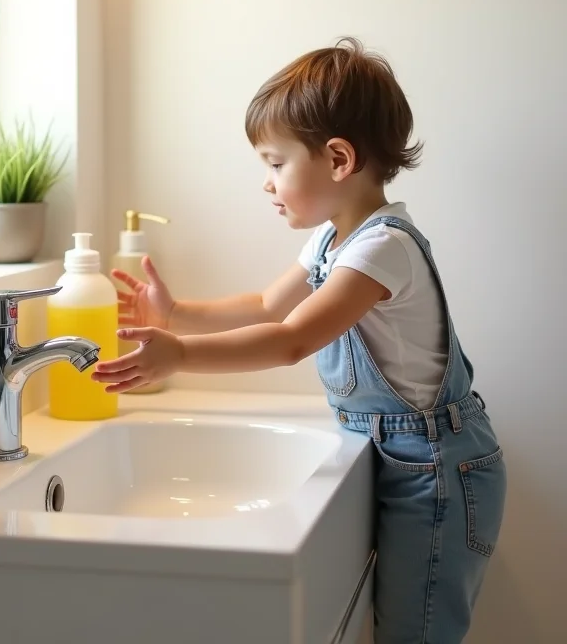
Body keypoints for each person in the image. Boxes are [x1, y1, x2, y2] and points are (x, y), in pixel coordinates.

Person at [93, 37, 507, 644]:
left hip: (436, 469)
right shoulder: (333, 240)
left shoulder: (382, 248)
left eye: (275, 163)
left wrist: (180, 355)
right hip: (403, 459)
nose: (266, 182)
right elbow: (265, 304)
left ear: (338, 159)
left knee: (416, 633)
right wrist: (177, 312)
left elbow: (290, 339)